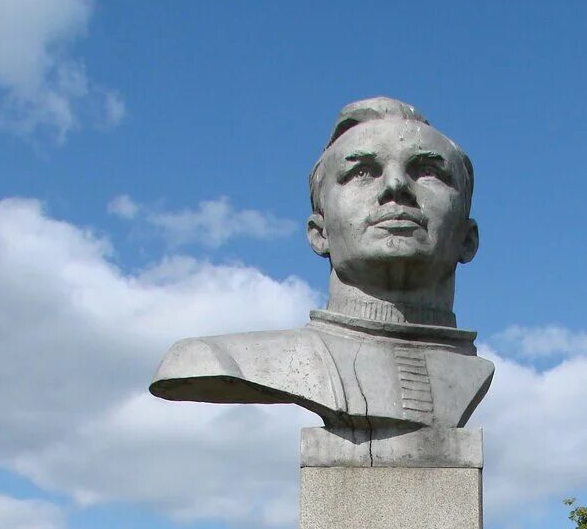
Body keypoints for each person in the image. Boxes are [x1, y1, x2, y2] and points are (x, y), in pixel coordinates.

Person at [150, 98, 493, 431]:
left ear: (468, 238)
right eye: (361, 172)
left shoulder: (473, 370)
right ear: (319, 233)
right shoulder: (219, 358)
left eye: (428, 171)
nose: (395, 186)